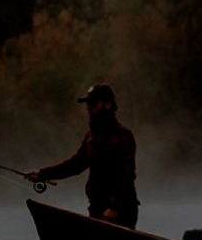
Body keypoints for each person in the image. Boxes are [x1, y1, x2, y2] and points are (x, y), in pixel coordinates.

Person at [25, 83, 140, 228]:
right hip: (97, 209)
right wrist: (42, 174)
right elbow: (75, 165)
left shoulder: (122, 135)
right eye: (87, 103)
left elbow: (127, 175)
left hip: (121, 211)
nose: (88, 108)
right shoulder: (91, 137)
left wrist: (114, 208)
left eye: (92, 103)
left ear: (108, 104)